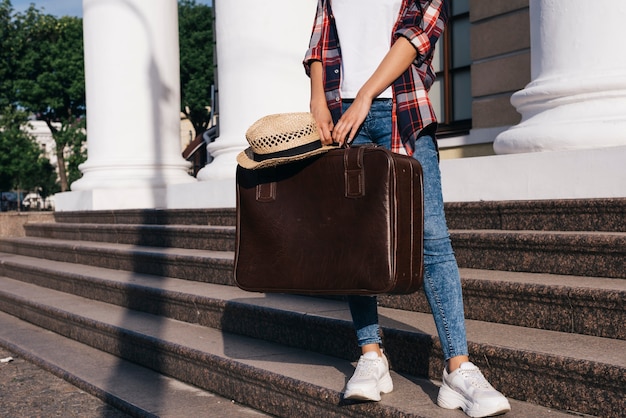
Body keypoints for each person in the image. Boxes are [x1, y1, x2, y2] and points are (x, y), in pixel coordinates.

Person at [303, 1, 511, 417]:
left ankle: (458, 368)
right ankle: (371, 355)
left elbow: (421, 30)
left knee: (432, 238)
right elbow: (320, 41)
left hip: (402, 109)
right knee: (356, 243)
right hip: (343, 118)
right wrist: (318, 102)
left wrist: (365, 94)